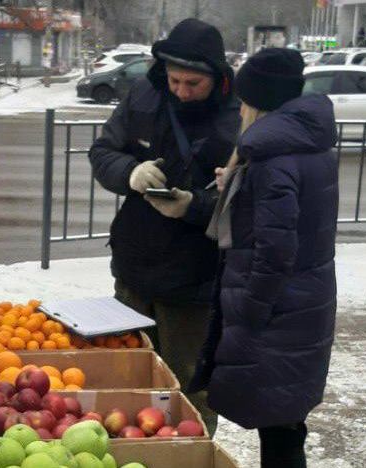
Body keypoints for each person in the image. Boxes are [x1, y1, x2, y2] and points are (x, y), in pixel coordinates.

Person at [88, 18, 240, 436]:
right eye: (175, 80)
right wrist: (130, 172)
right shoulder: (144, 95)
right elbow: (103, 151)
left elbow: (246, 202)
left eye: (193, 83)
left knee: (190, 388)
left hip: (195, 279)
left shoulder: (237, 117)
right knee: (127, 379)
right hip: (135, 266)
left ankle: (192, 455)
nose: (182, 91)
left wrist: (195, 206)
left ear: (217, 77)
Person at [189, 48, 338, 467]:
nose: (239, 109)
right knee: (286, 422)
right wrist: (239, 184)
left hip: (279, 312)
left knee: (281, 432)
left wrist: (250, 310)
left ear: (257, 101)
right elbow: (293, 216)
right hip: (303, 304)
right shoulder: (306, 145)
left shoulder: (274, 159)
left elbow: (275, 250)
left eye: (243, 100)